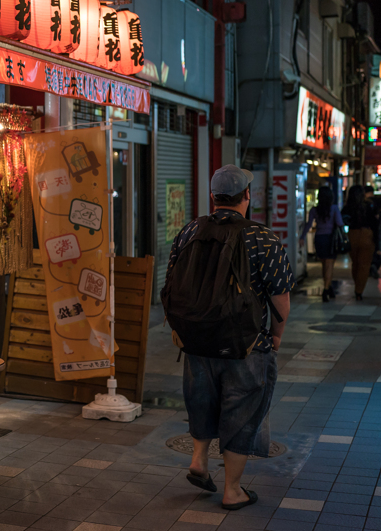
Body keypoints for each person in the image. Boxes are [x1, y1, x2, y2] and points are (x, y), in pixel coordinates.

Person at [162, 165, 293, 511]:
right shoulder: (263, 238)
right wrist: (276, 337)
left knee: (202, 401)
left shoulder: (190, 230)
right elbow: (280, 296)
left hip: (196, 341)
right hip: (245, 344)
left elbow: (172, 280)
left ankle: (199, 460)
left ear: (213, 197)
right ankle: (233, 490)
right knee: (242, 411)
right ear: (246, 196)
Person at [300, 186, 344, 302]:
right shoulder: (334, 208)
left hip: (319, 238)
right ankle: (325, 289)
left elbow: (308, 225)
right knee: (329, 265)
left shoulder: (314, 210)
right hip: (330, 239)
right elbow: (340, 223)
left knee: (324, 264)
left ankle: (328, 287)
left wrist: (302, 237)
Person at [343, 185, 377, 300]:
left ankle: (358, 286)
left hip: (352, 235)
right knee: (364, 265)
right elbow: (374, 222)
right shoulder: (368, 206)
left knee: (355, 263)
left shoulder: (347, 207)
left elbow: (344, 221)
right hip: (366, 235)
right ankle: (359, 290)